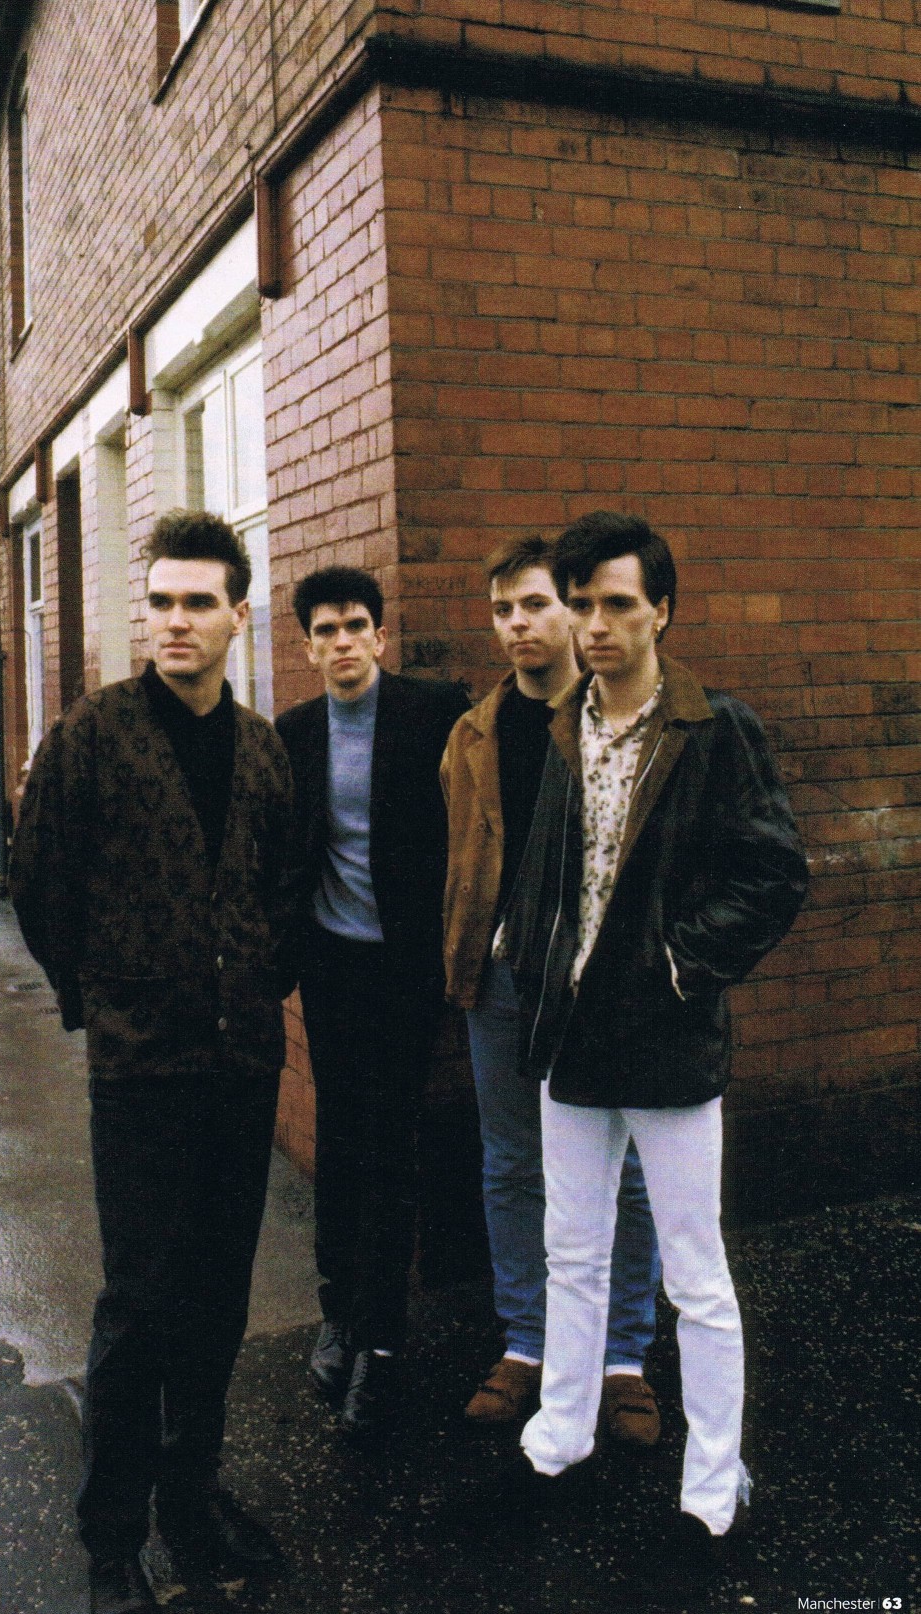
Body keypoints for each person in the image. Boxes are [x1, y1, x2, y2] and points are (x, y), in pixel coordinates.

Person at [503, 512, 808, 1565]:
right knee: (572, 1253)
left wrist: (679, 965)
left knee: (694, 1274)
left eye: (617, 604)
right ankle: (559, 1439)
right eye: (581, 603)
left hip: (668, 1037)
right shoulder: (564, 724)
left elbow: (774, 874)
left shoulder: (715, 729)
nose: (594, 624)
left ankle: (714, 1487)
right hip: (571, 1037)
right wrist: (531, 958)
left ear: (661, 611)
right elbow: (550, 873)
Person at [9, 511, 294, 1614]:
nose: (175, 621)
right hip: (141, 1068)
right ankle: (111, 1538)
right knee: (139, 1302)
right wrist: (103, 996)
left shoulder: (261, 748)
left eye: (197, 602)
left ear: (236, 614)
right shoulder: (94, 735)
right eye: (161, 601)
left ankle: (193, 1500)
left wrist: (257, 979)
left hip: (241, 1060)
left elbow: (279, 886)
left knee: (218, 1296)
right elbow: (39, 880)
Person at [441, 536, 662, 1445]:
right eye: (502, 610)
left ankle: (621, 1358)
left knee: (627, 1170)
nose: (518, 625)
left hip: (602, 984)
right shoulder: (474, 733)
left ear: (571, 611)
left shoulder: (616, 719)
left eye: (535, 604)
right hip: (502, 979)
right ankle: (527, 1342)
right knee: (511, 1163)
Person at [276, 566, 468, 1439]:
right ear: (307, 647)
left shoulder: (434, 714)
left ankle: (382, 1342)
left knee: (390, 1146)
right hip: (330, 968)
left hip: (405, 971)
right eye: (326, 630)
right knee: (340, 1142)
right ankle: (340, 1314)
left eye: (356, 625)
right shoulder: (295, 733)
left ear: (380, 636)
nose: (343, 641)